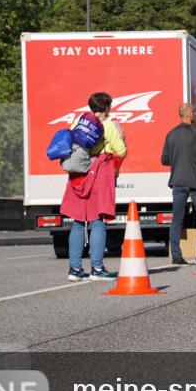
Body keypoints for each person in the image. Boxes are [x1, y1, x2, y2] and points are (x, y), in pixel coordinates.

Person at [61, 92, 127, 281]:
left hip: (78, 175)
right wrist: (121, 138)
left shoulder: (78, 123)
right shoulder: (110, 126)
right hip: (99, 174)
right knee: (98, 220)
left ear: (91, 108)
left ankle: (74, 269)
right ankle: (97, 269)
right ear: (107, 108)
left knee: (78, 221)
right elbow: (121, 152)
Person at [161, 103, 196, 265]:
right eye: (195, 113)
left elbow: (165, 160)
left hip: (177, 181)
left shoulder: (171, 134)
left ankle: (176, 256)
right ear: (191, 115)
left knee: (177, 219)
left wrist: (179, 158)